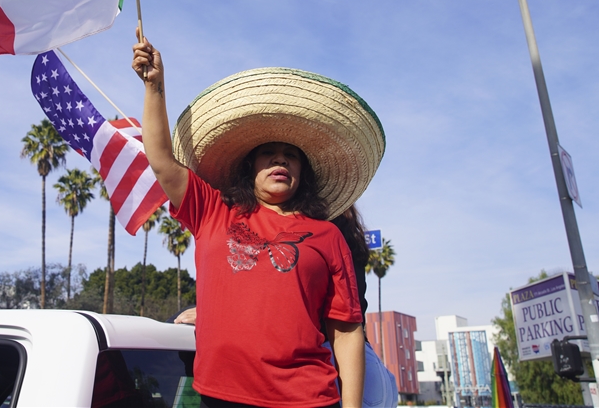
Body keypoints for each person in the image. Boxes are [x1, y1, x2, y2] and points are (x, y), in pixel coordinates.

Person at [133, 30, 386, 408]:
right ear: (249, 165)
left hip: (307, 399)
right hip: (218, 398)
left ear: (304, 171)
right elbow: (162, 161)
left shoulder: (328, 236)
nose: (280, 160)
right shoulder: (213, 211)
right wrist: (155, 87)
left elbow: (347, 330)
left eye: (291, 155)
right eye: (269, 152)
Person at [174, 205, 400, 408]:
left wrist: (217, 310)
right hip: (373, 371)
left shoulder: (319, 232)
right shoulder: (345, 231)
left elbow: (289, 300)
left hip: (336, 364)